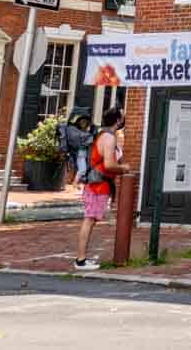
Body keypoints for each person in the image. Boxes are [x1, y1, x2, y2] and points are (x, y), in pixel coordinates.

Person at [74, 108, 124, 271]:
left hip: (97, 184)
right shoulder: (108, 138)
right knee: (89, 220)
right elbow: (109, 164)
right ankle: (80, 260)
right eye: (122, 117)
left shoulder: (103, 135)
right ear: (117, 121)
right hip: (98, 185)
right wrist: (124, 168)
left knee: (91, 219)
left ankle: (81, 258)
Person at [61, 112, 94, 191]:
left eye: (85, 122)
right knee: (82, 169)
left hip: (84, 154)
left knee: (81, 169)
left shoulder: (86, 132)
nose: (83, 123)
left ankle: (75, 183)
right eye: (82, 121)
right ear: (79, 122)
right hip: (79, 154)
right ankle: (74, 183)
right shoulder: (77, 131)